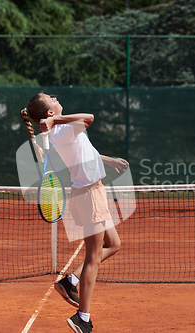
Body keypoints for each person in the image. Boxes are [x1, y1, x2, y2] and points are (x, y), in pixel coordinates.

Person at [20, 93, 128, 333]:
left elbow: (83, 153)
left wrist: (107, 161)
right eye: (51, 98)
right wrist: (57, 122)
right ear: (50, 112)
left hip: (90, 192)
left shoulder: (60, 130)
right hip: (90, 195)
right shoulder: (61, 129)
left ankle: (71, 280)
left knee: (114, 244)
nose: (56, 97)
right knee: (92, 258)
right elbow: (89, 117)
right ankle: (83, 317)